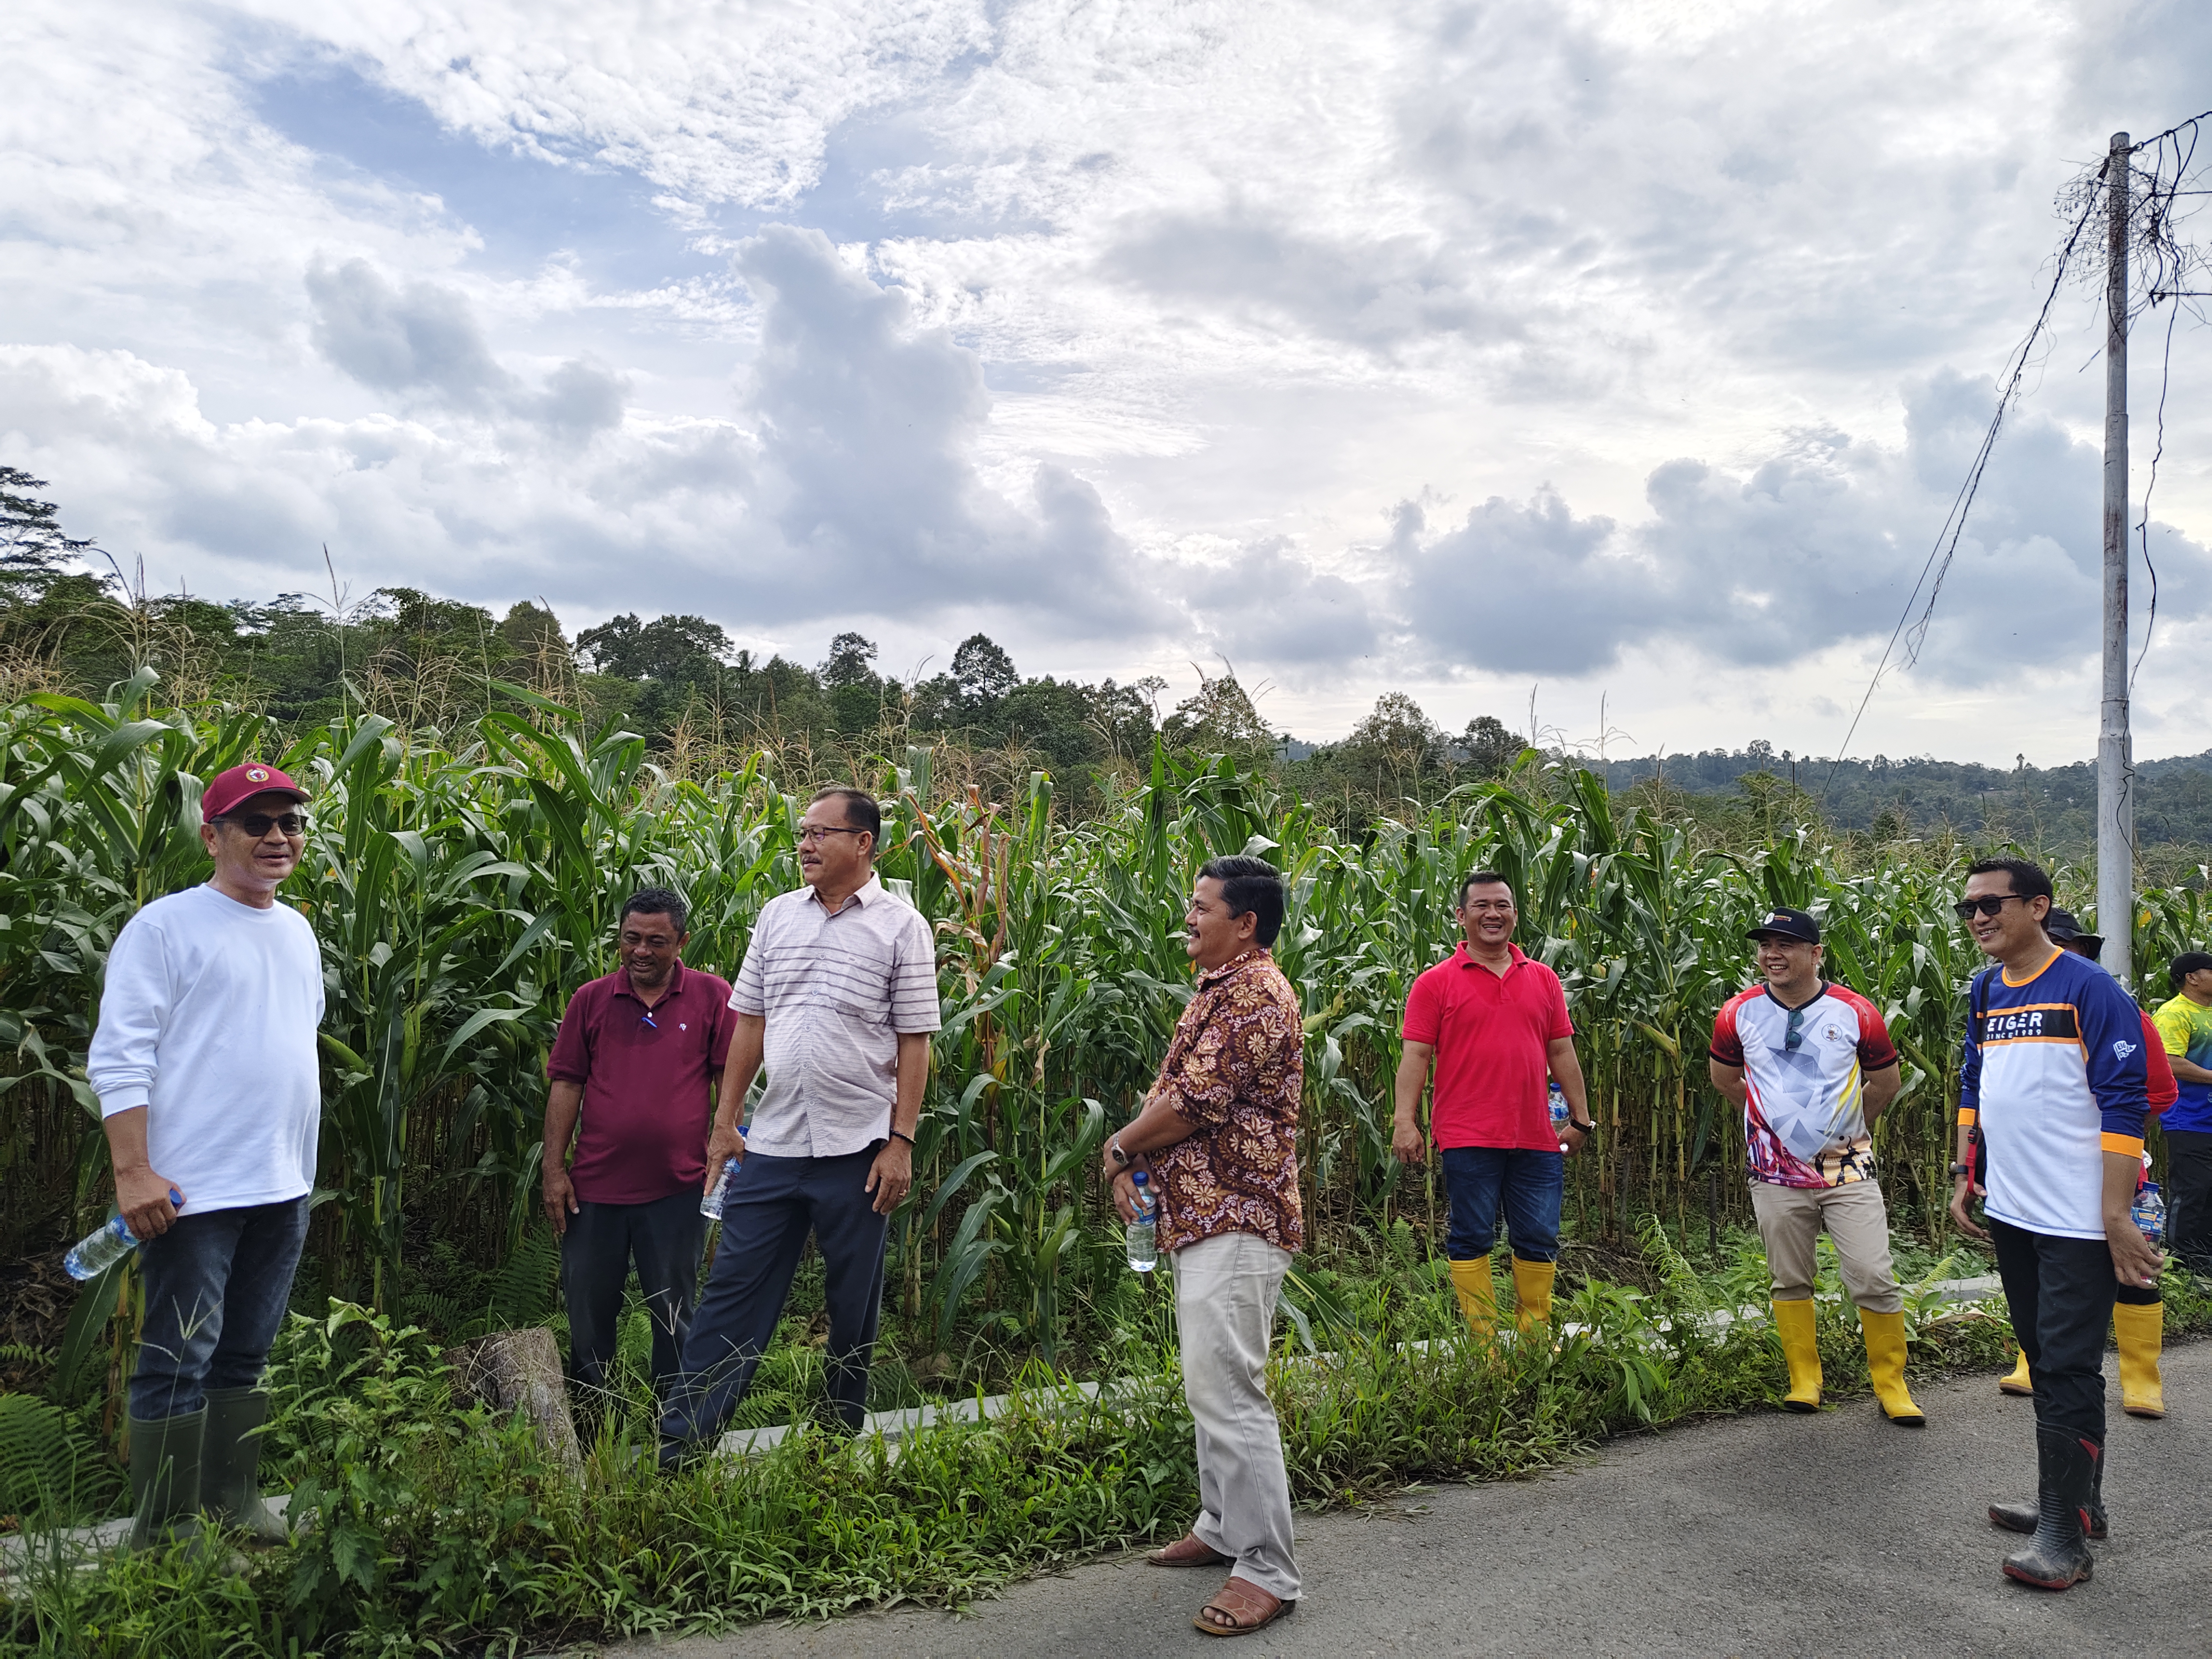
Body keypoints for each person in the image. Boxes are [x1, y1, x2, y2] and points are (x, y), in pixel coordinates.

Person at [658, 788, 939, 1460]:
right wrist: (726, 1124)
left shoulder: (902, 927)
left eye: (820, 832)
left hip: (859, 1145)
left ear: (863, 842)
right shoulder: (777, 916)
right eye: (802, 833)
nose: (804, 844)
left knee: (852, 1299)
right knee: (732, 1288)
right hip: (774, 1140)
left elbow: (914, 1042)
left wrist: (900, 1142)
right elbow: (749, 1023)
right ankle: (683, 1445)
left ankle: (835, 1437)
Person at [86, 763, 323, 1550]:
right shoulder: (165, 927)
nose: (277, 837)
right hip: (192, 1193)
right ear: (211, 835)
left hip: (281, 1185)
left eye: (289, 822)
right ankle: (164, 1525)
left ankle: (231, 1499)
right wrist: (134, 1172)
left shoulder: (296, 929)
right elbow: (120, 1057)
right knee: (176, 1357)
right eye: (256, 823)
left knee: (246, 1353)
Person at [1102, 855, 1304, 1639]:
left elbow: (1192, 1102)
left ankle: (1269, 1570)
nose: (1188, 918)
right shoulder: (1222, 990)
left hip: (1238, 1217)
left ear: (1245, 923)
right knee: (1209, 1386)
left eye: (1201, 907)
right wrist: (1140, 1157)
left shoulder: (1255, 994)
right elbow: (1176, 1097)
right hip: (1202, 1214)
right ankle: (1224, 1526)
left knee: (1230, 1391)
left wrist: (1119, 1149)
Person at [1948, 858, 2157, 1591]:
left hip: (2076, 1219)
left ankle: (2064, 1538)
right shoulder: (1986, 990)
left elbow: (2127, 1102)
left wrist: (2115, 1215)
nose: (1977, 917)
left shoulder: (2091, 990)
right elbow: (1976, 1081)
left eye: (1991, 904)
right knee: (2046, 1357)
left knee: (2067, 1367)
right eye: (1967, 907)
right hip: (2012, 1208)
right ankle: (2078, 1501)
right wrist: (1965, 1173)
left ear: (2038, 906)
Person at [1707, 906, 1922, 1424]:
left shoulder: (1856, 1011)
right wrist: (1774, 1130)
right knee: (1789, 1277)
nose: (1771, 955)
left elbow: (1887, 1083)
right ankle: (1805, 1378)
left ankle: (1891, 1383)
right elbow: (1725, 1080)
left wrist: (1843, 1129)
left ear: (1816, 953)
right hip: (1773, 1170)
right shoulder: (1736, 1012)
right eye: (1764, 945)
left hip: (1845, 1166)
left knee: (1873, 1273)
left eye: (1785, 945)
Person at [544, 888, 737, 1405]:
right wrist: (553, 1170)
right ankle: (591, 1428)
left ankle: (671, 1427)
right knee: (588, 1312)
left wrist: (726, 1158)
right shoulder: (591, 998)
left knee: (675, 1314)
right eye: (632, 939)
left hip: (678, 1190)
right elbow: (566, 1083)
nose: (642, 951)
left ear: (683, 942)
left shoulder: (713, 996)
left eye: (657, 940)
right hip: (594, 1192)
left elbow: (729, 1082)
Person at [1392, 871, 1594, 1338]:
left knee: (1539, 1235)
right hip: (1467, 1133)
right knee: (1471, 1235)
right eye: (1481, 905)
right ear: (1462, 916)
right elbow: (1415, 1057)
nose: (1493, 914)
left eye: (1502, 905)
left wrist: (1582, 1119)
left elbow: (1562, 1052)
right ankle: (1484, 1345)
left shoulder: (1542, 978)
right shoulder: (1434, 983)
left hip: (1537, 1133)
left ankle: (1533, 1339)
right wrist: (1405, 1120)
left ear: (1515, 916)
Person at [1996, 911, 2174, 1419]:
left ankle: (2142, 1378)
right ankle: (2032, 1362)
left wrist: (2093, 1126)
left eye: (2064, 946)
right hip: (2038, 1177)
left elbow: (2158, 1092)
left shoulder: (2120, 1011)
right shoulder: (2003, 1004)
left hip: (2116, 1169)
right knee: (2041, 1278)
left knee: (2136, 1271)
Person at [2151, 949, 2212, 1276]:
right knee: (2192, 1191)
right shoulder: (2174, 1014)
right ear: (2192, 978)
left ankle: (2204, 1262)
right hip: (2188, 1118)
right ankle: (2182, 1263)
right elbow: (2170, 1062)